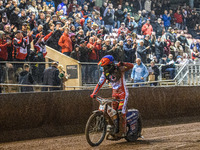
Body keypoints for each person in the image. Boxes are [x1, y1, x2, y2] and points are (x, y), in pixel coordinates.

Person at [90, 55, 134, 139]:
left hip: (123, 93)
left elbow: (131, 66)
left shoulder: (119, 68)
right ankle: (114, 129)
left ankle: (122, 132)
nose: (103, 68)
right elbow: (99, 84)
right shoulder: (105, 74)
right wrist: (94, 93)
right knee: (113, 112)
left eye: (105, 66)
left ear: (109, 65)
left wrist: (123, 63)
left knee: (121, 112)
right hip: (114, 94)